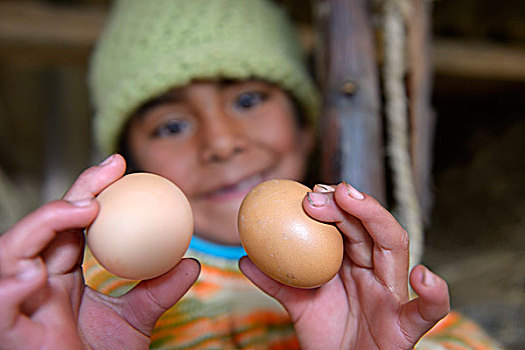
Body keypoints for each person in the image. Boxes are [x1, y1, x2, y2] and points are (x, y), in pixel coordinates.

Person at [0, 0, 502, 349]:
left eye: (248, 99)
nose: (221, 142)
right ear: (133, 165)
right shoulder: (88, 298)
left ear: (308, 128)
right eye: (171, 125)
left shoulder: (375, 293)